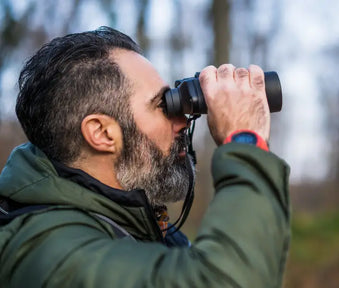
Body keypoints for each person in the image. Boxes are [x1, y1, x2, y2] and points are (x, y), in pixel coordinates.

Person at [0, 26, 290, 287]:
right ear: (101, 133)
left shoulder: (143, 227)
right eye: (163, 105)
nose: (184, 121)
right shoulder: (50, 256)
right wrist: (243, 140)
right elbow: (229, 279)